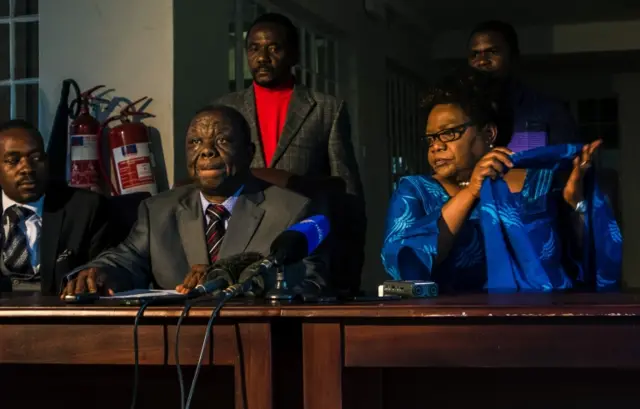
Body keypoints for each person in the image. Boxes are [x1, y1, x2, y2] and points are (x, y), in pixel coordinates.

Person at [381, 71, 621, 292]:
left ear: (488, 134)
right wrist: (473, 191)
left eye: (449, 133)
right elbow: (402, 264)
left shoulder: (537, 183)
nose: (437, 146)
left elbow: (580, 264)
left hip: (536, 321)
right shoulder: (414, 191)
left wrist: (576, 206)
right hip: (451, 326)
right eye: (431, 138)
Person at [61, 105, 328, 296]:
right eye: (195, 142)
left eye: (222, 140)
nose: (206, 151)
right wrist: (99, 272)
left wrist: (231, 277)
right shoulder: (157, 211)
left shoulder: (291, 210)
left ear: (249, 153)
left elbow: (311, 280)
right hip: (175, 346)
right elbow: (125, 261)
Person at [215, 13, 365, 294]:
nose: (262, 57)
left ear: (294, 54)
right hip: (241, 245)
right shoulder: (225, 109)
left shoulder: (326, 108)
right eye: (254, 48)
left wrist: (351, 269)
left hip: (305, 249)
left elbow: (348, 193)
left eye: (274, 48)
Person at [0, 119, 110, 295]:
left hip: (61, 316)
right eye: (13, 160)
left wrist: (95, 273)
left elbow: (107, 263)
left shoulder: (85, 208)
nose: (27, 168)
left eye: (36, 158)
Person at [468, 20, 578, 152]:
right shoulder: (459, 114)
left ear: (514, 57)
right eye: (475, 54)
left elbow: (570, 164)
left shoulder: (549, 111)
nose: (482, 61)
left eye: (493, 52)